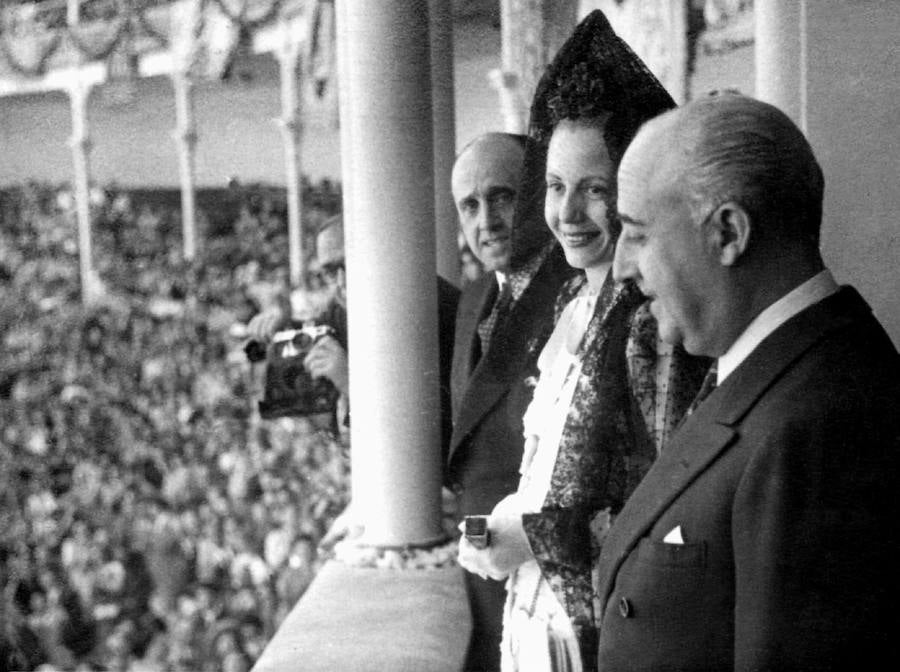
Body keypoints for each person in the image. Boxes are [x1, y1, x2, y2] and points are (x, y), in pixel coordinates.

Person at [596, 92, 900, 671]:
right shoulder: (783, 371)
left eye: (637, 233)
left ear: (729, 232)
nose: (622, 268)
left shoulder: (821, 425)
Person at [457, 12, 706, 671]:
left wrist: (533, 536)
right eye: (557, 187)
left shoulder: (657, 323)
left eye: (595, 190)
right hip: (536, 628)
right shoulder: (567, 302)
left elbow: (673, 518)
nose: (567, 214)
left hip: (609, 642)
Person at [449, 132, 576, 671]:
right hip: (487, 580)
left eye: (501, 197)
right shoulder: (475, 296)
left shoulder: (577, 293)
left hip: (554, 587)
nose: (487, 221)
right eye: (470, 206)